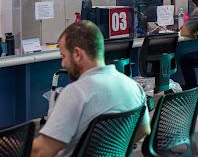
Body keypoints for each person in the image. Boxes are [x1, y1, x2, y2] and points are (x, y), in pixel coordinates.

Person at [31, 21, 150, 157]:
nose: (63, 63)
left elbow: (43, 151)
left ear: (77, 54)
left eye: (64, 56)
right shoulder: (133, 86)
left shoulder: (75, 93)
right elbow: (144, 130)